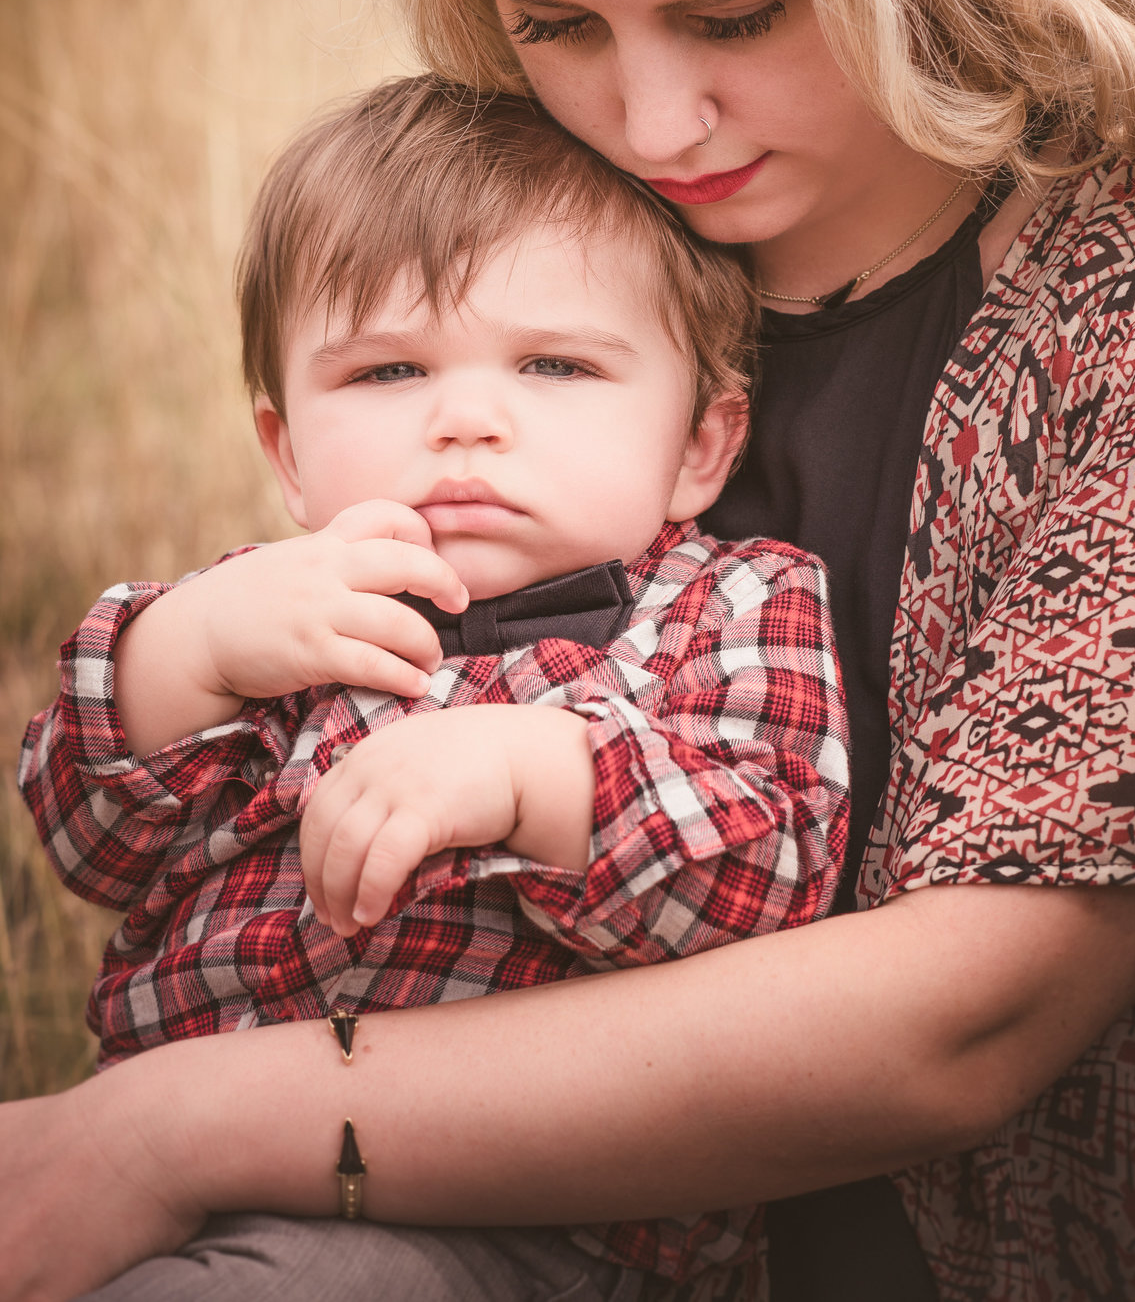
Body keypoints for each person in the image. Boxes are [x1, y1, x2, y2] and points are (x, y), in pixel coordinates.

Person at [3, 0, 1135, 1299]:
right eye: (554, 23)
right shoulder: (538, 259)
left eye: (741, 14)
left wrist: (170, 1126)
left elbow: (971, 1013)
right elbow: (135, 797)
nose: (652, 129)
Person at [20, 76, 851, 1298]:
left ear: (701, 446)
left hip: (525, 1220)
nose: (467, 419)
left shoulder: (728, 605)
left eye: (556, 366)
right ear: (287, 453)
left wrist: (530, 773)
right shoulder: (280, 605)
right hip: (154, 1167)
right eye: (388, 373)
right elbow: (88, 841)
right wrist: (182, 652)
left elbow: (773, 875)